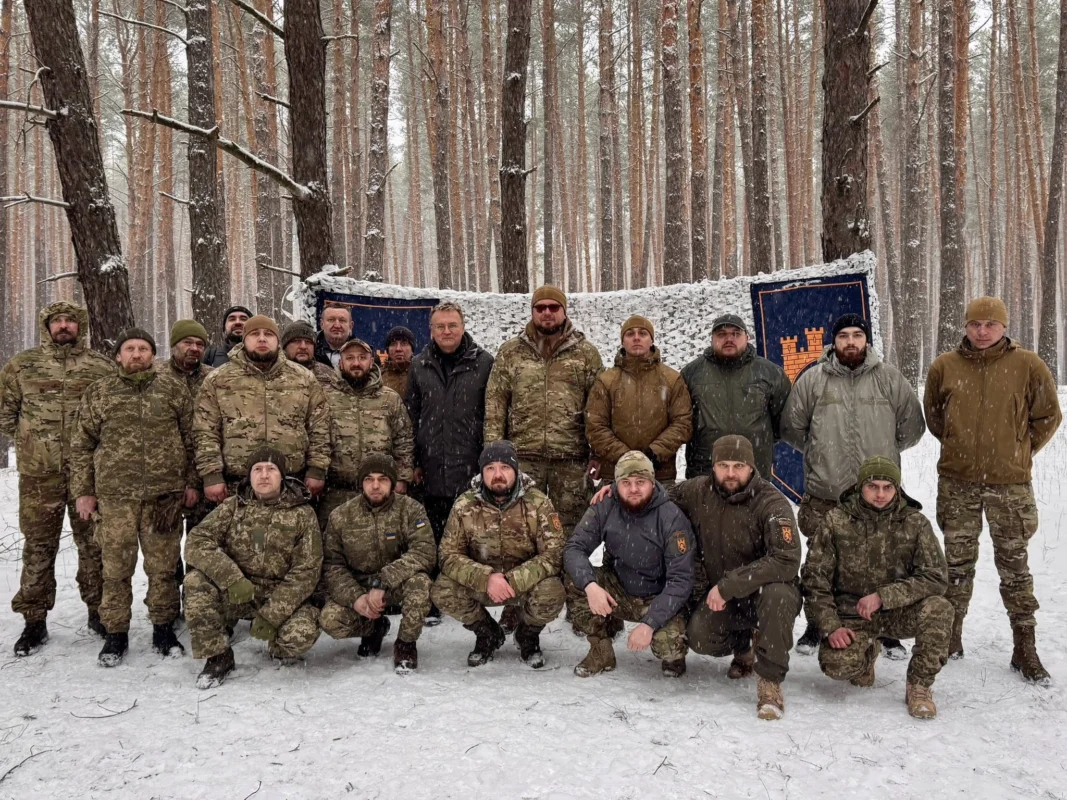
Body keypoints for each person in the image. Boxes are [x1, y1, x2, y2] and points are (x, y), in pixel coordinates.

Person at [924, 296, 1062, 684]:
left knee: (1015, 567)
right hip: (958, 483)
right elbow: (935, 417)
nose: (982, 332)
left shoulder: (1028, 365)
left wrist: (1019, 449)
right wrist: (959, 444)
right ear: (965, 326)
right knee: (956, 566)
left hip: (1010, 486)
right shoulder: (944, 367)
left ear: (1004, 327)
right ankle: (950, 636)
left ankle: (1024, 645)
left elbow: (1048, 415)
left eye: (990, 325)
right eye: (975, 324)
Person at [782, 312, 926, 659]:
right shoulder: (813, 380)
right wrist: (819, 452)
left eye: (856, 335)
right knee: (821, 562)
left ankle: (885, 629)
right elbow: (792, 426)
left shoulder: (889, 379)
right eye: (843, 335)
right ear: (834, 341)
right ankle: (818, 624)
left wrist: (885, 456)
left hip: (878, 495)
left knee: (883, 560)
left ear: (866, 340)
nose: (850, 341)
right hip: (826, 492)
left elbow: (912, 427)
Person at [70, 328, 198, 666]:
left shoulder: (173, 389)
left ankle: (163, 628)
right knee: (115, 569)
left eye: (143, 348)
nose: (137, 354)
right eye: (130, 349)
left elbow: (192, 439)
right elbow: (82, 445)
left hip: (163, 497)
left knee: (163, 568)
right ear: (118, 355)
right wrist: (84, 491)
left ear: (153, 355)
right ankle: (116, 633)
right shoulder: (100, 392)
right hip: (115, 497)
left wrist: (191, 482)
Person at [1, 302, 115, 656]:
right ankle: (34, 620)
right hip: (40, 476)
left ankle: (98, 611)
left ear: (81, 326)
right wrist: (31, 443)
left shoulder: (100, 367)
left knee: (94, 545)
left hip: (88, 476)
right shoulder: (22, 366)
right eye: (57, 321)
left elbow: (112, 417)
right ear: (47, 326)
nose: (64, 326)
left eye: (70, 321)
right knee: (38, 546)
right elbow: (5, 414)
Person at [803, 456, 952, 719]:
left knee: (939, 609)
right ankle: (866, 654)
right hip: (852, 615)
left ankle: (919, 686)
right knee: (837, 665)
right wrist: (831, 625)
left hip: (898, 612)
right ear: (860, 487)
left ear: (897, 489)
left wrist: (885, 596)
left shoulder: (915, 523)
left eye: (887, 487)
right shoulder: (836, 521)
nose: (880, 494)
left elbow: (936, 576)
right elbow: (815, 579)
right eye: (873, 486)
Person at [677, 435, 802, 720]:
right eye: (723, 465)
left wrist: (729, 585)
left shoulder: (772, 502)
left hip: (763, 595)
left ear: (751, 467)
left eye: (738, 466)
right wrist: (614, 491)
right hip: (725, 598)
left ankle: (769, 682)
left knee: (778, 595)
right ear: (713, 466)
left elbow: (786, 560)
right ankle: (744, 646)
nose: (731, 473)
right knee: (700, 637)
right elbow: (654, 494)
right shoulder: (698, 491)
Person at [184, 447, 323, 688]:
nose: (264, 475)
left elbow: (307, 571)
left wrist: (272, 615)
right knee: (195, 582)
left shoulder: (302, 514)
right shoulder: (233, 507)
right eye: (257, 469)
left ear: (282, 476)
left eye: (271, 469)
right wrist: (232, 578)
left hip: (279, 594)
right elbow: (196, 542)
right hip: (239, 591)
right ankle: (218, 656)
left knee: (299, 636)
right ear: (249, 476)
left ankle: (276, 645)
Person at [432, 441, 566, 668]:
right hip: (483, 584)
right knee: (442, 589)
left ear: (515, 470)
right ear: (482, 472)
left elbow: (554, 553)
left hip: (524, 583)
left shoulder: (538, 503)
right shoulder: (464, 505)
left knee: (552, 591)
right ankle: (487, 634)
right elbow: (447, 555)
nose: (498, 475)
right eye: (490, 468)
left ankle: (527, 635)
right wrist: (485, 578)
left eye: (504, 467)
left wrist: (514, 580)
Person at [484, 286, 603, 537]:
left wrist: (598, 453)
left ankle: (568, 565)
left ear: (564, 311)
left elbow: (598, 408)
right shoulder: (511, 352)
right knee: (523, 526)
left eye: (553, 307)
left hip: (571, 459)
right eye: (540, 308)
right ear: (532, 311)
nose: (547, 312)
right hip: (523, 457)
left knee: (571, 529)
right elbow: (496, 405)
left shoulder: (586, 353)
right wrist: (495, 454)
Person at [564, 451, 693, 679]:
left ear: (652, 482)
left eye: (640, 482)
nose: (633, 489)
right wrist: (591, 586)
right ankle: (601, 651)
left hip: (656, 596)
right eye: (626, 482)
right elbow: (574, 548)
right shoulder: (605, 504)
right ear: (616, 484)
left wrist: (650, 623)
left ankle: (674, 657)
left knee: (668, 645)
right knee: (576, 581)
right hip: (618, 589)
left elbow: (681, 580)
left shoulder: (671, 517)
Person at [404, 302, 494, 623]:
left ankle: (467, 592)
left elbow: (492, 415)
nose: (446, 331)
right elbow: (410, 416)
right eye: (440, 326)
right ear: (431, 330)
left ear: (463, 326)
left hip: (469, 465)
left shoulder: (484, 363)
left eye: (452, 325)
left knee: (468, 536)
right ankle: (433, 595)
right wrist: (413, 461)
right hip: (430, 467)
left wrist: (488, 463)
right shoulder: (419, 365)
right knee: (432, 533)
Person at [194, 315, 331, 503]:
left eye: (268, 334)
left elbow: (320, 426)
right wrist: (211, 474)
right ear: (244, 340)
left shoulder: (303, 378)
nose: (261, 338)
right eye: (254, 334)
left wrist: (317, 469)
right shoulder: (219, 379)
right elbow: (205, 430)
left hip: (291, 483)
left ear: (277, 340)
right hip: (236, 485)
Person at [320, 454, 436, 673]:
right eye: (369, 479)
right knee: (330, 620)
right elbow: (333, 565)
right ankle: (373, 627)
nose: (375, 486)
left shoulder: (410, 509)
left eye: (382, 479)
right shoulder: (341, 516)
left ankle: (405, 644)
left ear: (392, 482)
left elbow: (424, 552)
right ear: (361, 483)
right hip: (360, 586)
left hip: (396, 584)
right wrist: (356, 598)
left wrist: (383, 581)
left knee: (420, 585)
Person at [316, 337, 414, 528]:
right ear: (341, 363)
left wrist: (402, 478)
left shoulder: (389, 399)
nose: (356, 363)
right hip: (337, 493)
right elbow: (317, 437)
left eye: (362, 357)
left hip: (381, 490)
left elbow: (404, 440)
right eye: (350, 358)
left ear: (371, 362)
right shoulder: (325, 397)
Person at [681, 314, 791, 480]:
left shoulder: (770, 373)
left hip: (754, 470)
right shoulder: (692, 373)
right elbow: (682, 421)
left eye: (736, 334)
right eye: (722, 334)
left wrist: (758, 440)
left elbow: (783, 422)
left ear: (747, 337)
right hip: (705, 470)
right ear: (712, 339)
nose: (729, 339)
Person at [585, 315, 692, 485]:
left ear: (651, 340)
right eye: (630, 334)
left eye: (642, 333)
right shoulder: (606, 381)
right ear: (623, 341)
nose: (636, 338)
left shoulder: (671, 380)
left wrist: (654, 453)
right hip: (615, 476)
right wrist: (626, 458)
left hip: (660, 476)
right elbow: (595, 426)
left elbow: (682, 422)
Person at [281, 320, 342, 390]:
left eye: (308, 342)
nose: (303, 346)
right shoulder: (273, 372)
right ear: (285, 346)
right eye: (297, 341)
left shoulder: (329, 374)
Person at [160, 319, 213, 395]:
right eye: (188, 342)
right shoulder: (155, 375)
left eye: (199, 344)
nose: (194, 348)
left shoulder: (214, 377)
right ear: (174, 345)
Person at [315, 303, 355, 368]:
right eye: (331, 320)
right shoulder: (309, 349)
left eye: (342, 320)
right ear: (322, 324)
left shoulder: (364, 353)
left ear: (350, 326)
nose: (337, 326)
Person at [381, 326, 416, 397]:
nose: (398, 349)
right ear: (388, 351)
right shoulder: (378, 377)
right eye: (393, 344)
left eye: (404, 343)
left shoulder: (422, 374)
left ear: (412, 350)